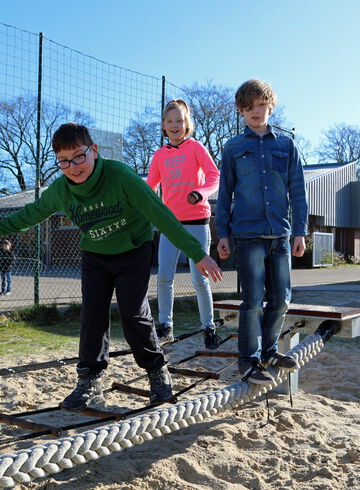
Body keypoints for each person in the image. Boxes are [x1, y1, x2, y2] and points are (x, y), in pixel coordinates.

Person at [0, 122, 222, 410]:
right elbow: (29, 214)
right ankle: (90, 380)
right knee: (92, 313)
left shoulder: (121, 177)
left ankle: (157, 371)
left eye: (79, 156)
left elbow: (161, 214)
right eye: (64, 161)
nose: (73, 166)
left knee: (133, 311)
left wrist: (197, 253)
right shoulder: (60, 191)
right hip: (96, 255)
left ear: (94, 150)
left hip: (134, 249)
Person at [216, 79, 308, 385]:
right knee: (253, 300)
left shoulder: (286, 145)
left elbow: (298, 191)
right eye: (249, 106)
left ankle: (270, 351)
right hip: (247, 235)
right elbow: (225, 191)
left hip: (280, 235)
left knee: (281, 298)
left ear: (271, 106)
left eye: (261, 104)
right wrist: (222, 234)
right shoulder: (233, 148)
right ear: (241, 110)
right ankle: (249, 360)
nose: (256, 111)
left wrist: (299, 231)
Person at [147, 99, 221, 349]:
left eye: (179, 120)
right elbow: (149, 188)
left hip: (197, 221)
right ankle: (165, 327)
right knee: (164, 277)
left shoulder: (196, 147)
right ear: (164, 127)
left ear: (186, 123)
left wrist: (200, 193)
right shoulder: (159, 155)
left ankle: (208, 328)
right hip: (170, 224)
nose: (174, 125)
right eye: (169, 121)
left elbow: (214, 177)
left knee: (199, 279)